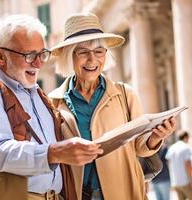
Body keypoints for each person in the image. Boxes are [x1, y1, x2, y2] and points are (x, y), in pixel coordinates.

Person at [0, 14, 103, 200]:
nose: (39, 62)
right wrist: (55, 152)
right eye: (30, 55)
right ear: (0, 56)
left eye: (42, 53)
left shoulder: (38, 94)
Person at [48, 13, 176, 200]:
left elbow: (141, 147)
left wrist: (155, 138)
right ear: (69, 56)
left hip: (124, 194)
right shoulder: (53, 102)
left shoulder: (125, 94)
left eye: (99, 51)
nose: (92, 60)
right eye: (83, 52)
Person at [165, 130, 192, 200]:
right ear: (186, 138)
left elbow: (167, 162)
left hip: (175, 181)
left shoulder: (171, 148)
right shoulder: (186, 147)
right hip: (185, 181)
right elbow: (188, 164)